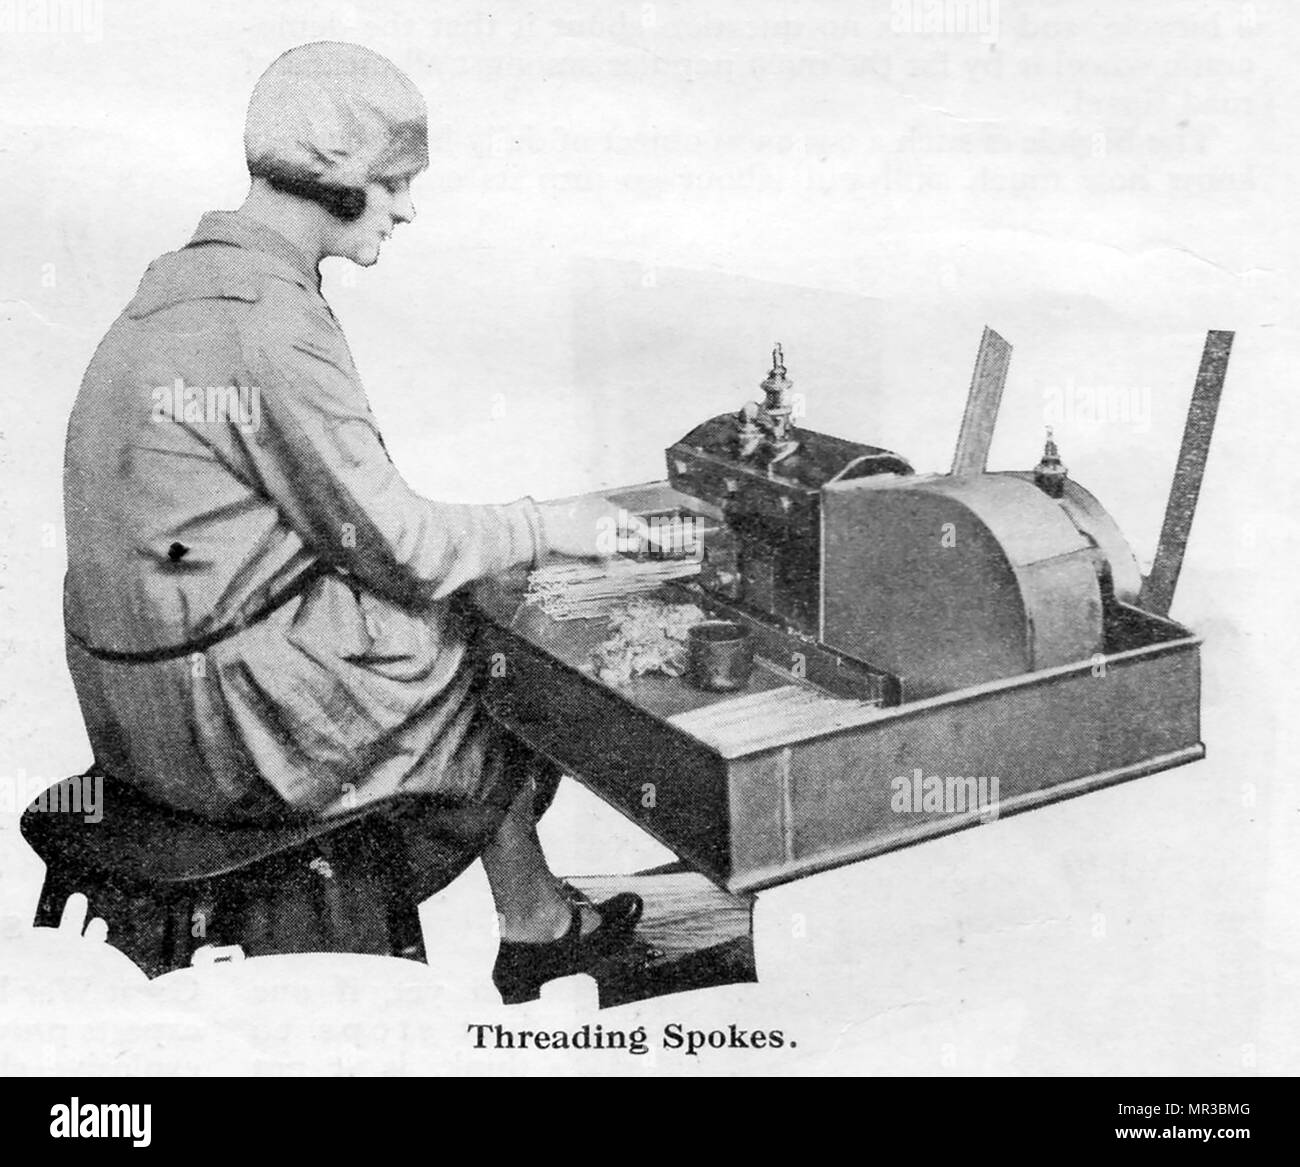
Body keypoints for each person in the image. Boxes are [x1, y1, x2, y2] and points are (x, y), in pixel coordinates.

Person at [62, 41, 643, 1002]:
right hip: (224, 727)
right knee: (507, 640)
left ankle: (535, 916)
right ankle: (538, 923)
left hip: (136, 707)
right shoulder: (267, 318)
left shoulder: (178, 289)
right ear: (335, 176)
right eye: (395, 182)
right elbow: (403, 548)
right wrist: (555, 522)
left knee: (466, 606)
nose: (408, 208)